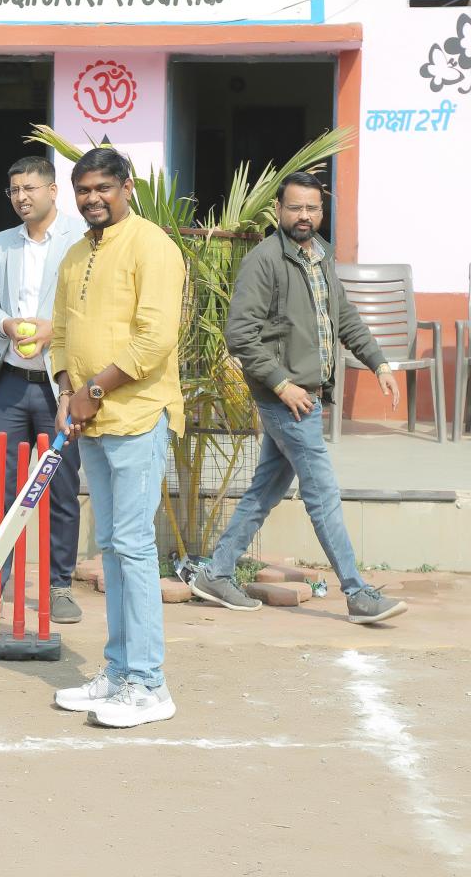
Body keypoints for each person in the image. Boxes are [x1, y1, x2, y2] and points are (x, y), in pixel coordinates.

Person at [191, 171, 408, 625]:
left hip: (307, 395)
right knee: (323, 494)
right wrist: (281, 383)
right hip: (287, 400)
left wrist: (379, 363)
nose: (304, 215)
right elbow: (240, 334)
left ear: (321, 211)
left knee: (265, 490)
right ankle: (357, 592)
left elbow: (343, 318)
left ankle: (216, 572)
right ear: (279, 210)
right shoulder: (265, 261)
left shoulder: (321, 254)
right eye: (295, 208)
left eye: (312, 208)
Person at [52, 148, 185, 728]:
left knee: (133, 548)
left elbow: (154, 339)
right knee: (111, 546)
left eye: (103, 187)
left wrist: (93, 391)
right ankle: (119, 670)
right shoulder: (76, 252)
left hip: (136, 417)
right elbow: (62, 333)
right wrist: (67, 390)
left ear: (127, 187)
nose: (92, 199)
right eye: (83, 190)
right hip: (92, 422)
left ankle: (149, 685)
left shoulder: (153, 245)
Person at [0, 156, 86, 627]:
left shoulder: (80, 237)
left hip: (60, 387)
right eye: (14, 190)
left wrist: (57, 327)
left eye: (29, 188)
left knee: (61, 487)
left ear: (53, 191)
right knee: (0, 490)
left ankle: (59, 588)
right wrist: (7, 324)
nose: (21, 197)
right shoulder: (4, 242)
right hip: (12, 384)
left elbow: (89, 304)